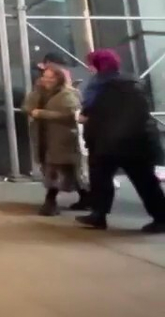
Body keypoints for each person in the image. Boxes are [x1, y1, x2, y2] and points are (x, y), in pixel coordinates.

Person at [76, 49, 165, 233]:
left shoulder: (110, 85)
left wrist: (89, 118)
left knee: (131, 180)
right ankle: (99, 215)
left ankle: (100, 216)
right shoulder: (120, 83)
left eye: (92, 64)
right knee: (137, 181)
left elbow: (111, 113)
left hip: (119, 142)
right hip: (122, 141)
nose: (89, 68)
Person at [23, 63, 85, 216]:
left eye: (51, 77)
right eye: (45, 76)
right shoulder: (38, 92)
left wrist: (42, 113)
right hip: (44, 137)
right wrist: (33, 110)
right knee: (65, 171)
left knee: (56, 170)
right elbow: (28, 107)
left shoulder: (68, 94)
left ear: (59, 78)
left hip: (63, 138)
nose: (47, 80)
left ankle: (50, 202)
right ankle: (86, 197)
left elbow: (71, 115)